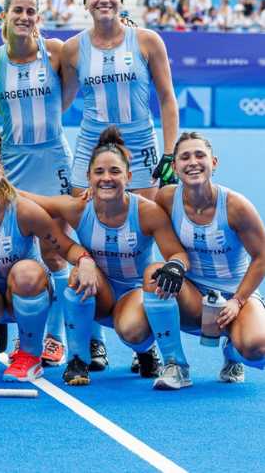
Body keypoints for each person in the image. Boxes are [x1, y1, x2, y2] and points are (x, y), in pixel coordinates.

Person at [25, 127, 190, 387]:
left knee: (132, 331)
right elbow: (29, 199)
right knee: (78, 275)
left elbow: (176, 253)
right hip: (98, 290)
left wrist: (176, 265)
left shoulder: (147, 212)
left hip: (134, 293)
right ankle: (77, 361)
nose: (107, 178)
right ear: (88, 177)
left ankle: (146, 351)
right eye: (99, 172)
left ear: (129, 176)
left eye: (115, 172)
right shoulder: (79, 208)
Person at [0, 141, 94, 380]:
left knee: (26, 273)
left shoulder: (23, 210)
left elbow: (65, 245)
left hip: (27, 290)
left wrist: (85, 260)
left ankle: (29, 356)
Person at [0, 0, 75, 365]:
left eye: (31, 11)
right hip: (14, 164)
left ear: (39, 17)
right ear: (4, 16)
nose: (24, 16)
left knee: (55, 252)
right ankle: (26, 334)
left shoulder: (56, 51)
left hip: (53, 160)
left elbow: (65, 97)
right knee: (19, 254)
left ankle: (55, 337)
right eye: (17, 10)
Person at [153, 132, 265, 386]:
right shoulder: (166, 198)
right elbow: (134, 212)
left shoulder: (236, 207)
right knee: (156, 274)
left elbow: (261, 257)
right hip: (192, 294)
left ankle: (233, 349)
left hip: (236, 296)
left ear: (213, 163)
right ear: (175, 167)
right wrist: (90, 197)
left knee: (256, 347)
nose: (193, 162)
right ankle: (175, 366)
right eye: (185, 157)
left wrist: (237, 301)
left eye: (200, 155)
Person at [61, 0, 179, 199]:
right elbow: (61, 103)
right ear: (85, 3)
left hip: (140, 142)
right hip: (91, 143)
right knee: (85, 216)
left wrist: (169, 153)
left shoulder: (148, 41)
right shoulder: (72, 49)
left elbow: (167, 98)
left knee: (143, 222)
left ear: (121, 1)